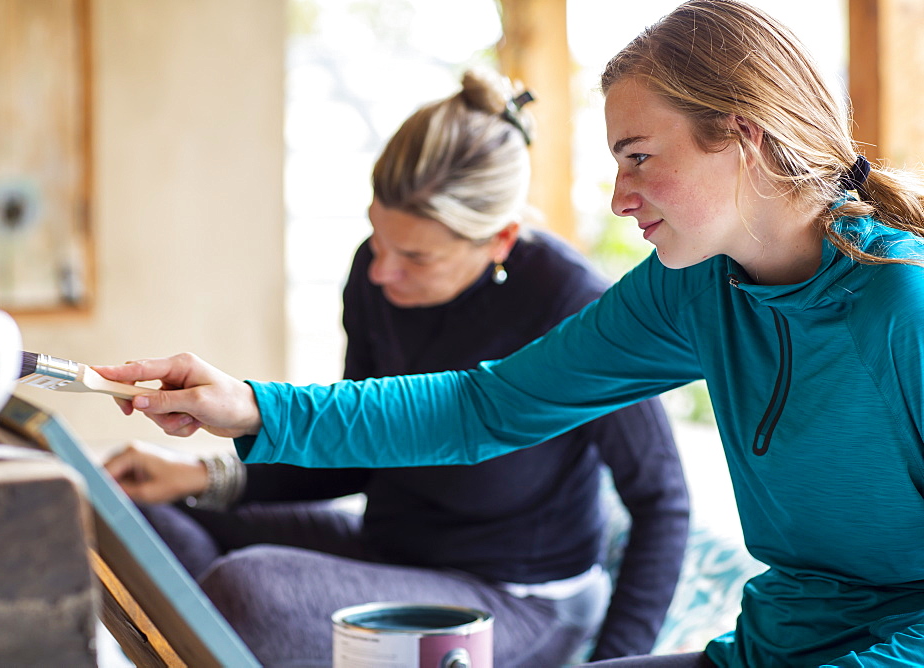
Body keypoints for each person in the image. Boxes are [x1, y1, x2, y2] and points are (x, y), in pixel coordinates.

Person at [96, 0, 924, 664]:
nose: (618, 196)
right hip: (768, 648)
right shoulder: (692, 292)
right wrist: (249, 407)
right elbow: (480, 408)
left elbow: (660, 500)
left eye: (637, 156)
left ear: (742, 135)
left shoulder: (903, 306)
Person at [103, 67, 690, 667]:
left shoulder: (577, 309)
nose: (382, 271)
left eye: (414, 256)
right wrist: (199, 475)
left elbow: (662, 502)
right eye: (378, 240)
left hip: (515, 599)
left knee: (249, 591)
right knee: (131, 518)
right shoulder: (373, 277)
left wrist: (615, 664)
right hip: (390, 551)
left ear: (500, 240)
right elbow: (357, 442)